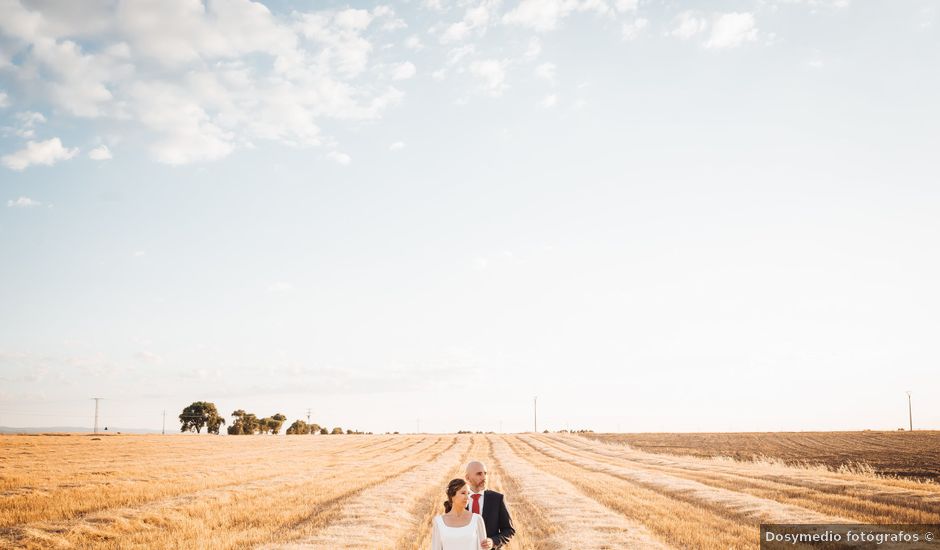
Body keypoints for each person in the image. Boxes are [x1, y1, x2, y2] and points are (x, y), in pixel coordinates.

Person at [465, 461, 514, 549]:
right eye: (479, 474)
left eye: (485, 473)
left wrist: (493, 541)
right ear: (467, 478)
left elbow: (509, 530)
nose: (484, 477)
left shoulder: (497, 499)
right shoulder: (458, 500)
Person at [430, 478, 488, 550]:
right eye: (463, 493)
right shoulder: (438, 522)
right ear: (452, 496)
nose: (467, 497)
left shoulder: (477, 520)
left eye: (468, 493)